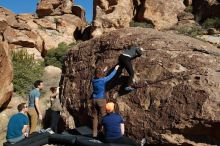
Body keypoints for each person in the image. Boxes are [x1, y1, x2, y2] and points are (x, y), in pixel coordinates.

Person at [91, 65, 120, 138]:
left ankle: (94, 134)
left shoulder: (93, 80)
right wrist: (115, 69)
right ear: (100, 74)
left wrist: (103, 71)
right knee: (104, 116)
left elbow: (97, 75)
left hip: (94, 100)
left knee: (95, 118)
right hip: (101, 100)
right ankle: (106, 133)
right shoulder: (102, 80)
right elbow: (110, 76)